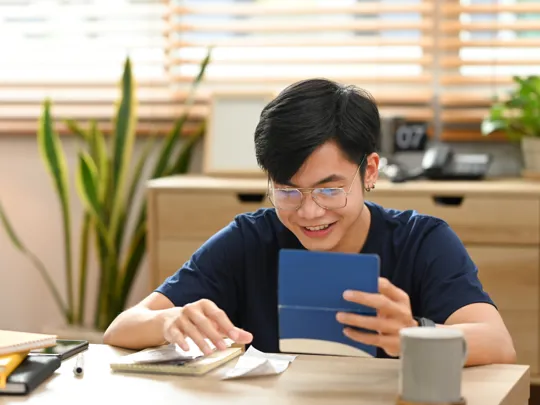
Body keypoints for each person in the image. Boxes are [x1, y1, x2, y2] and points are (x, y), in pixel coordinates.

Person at [103, 78, 516, 366]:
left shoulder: (421, 240)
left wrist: (413, 333)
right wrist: (169, 320)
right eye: (287, 190)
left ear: (369, 171)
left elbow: (497, 344)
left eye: (329, 189)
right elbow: (122, 328)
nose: (309, 211)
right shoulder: (250, 238)